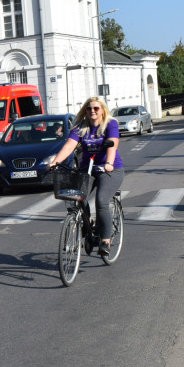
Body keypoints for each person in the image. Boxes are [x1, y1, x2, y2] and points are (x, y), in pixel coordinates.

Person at [50, 97, 124, 257]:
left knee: (101, 201)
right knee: (76, 197)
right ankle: (88, 222)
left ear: (102, 110)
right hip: (88, 168)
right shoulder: (80, 126)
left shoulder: (110, 124)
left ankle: (105, 241)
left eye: (96, 108)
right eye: (89, 108)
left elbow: (113, 143)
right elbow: (70, 145)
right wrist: (55, 162)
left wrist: (109, 162)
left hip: (110, 169)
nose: (92, 111)